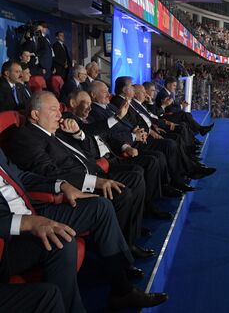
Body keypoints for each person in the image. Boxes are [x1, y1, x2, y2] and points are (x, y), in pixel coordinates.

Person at [0, 147, 168, 311]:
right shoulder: (24, 137)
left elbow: (21, 176)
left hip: (32, 210)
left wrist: (62, 185)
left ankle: (122, 290)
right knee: (62, 241)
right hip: (9, 235)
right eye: (56, 114)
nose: (60, 116)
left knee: (100, 207)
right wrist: (26, 222)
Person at [4, 91, 153, 260]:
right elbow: (48, 172)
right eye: (54, 109)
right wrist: (94, 182)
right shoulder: (26, 136)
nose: (60, 114)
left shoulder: (57, 129)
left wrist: (76, 132)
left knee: (134, 177)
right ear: (35, 114)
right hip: (75, 187)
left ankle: (128, 241)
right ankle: (122, 252)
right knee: (121, 193)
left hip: (94, 172)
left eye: (59, 109)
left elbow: (88, 138)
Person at [63, 89, 172, 219]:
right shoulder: (68, 120)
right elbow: (86, 131)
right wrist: (117, 117)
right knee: (138, 173)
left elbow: (109, 136)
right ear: (72, 103)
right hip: (100, 166)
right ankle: (141, 213)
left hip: (114, 156)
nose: (90, 108)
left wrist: (125, 146)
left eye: (90, 103)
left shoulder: (91, 118)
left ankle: (145, 209)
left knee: (147, 163)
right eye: (85, 103)